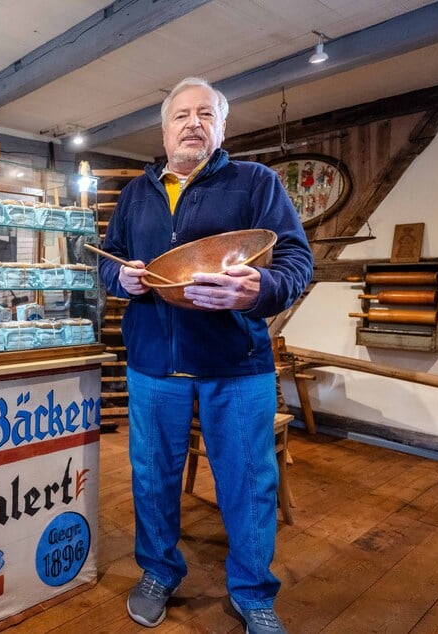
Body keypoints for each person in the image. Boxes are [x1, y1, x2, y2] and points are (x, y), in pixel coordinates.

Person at [97, 77, 313, 633]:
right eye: (181, 115)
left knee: (249, 480)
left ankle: (253, 592)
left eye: (206, 114)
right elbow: (108, 261)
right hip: (154, 364)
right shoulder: (136, 195)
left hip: (235, 363)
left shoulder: (255, 182)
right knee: (152, 477)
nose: (193, 123)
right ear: (164, 130)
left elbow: (296, 261)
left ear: (221, 128)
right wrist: (120, 278)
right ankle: (159, 572)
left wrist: (259, 289)